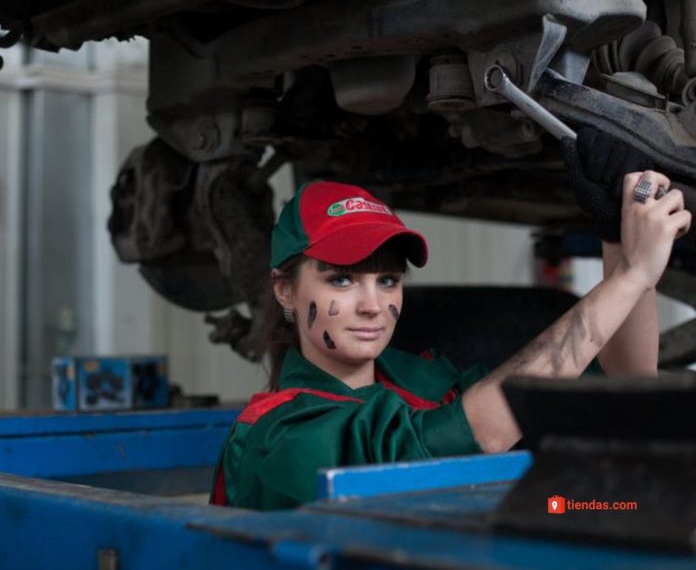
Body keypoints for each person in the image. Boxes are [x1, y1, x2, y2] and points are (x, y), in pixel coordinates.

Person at [210, 131, 691, 511]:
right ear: (286, 289)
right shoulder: (277, 435)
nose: (373, 305)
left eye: (387, 281)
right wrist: (630, 276)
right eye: (341, 281)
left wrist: (616, 236)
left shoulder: (419, 377)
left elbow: (619, 385)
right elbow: (454, 442)